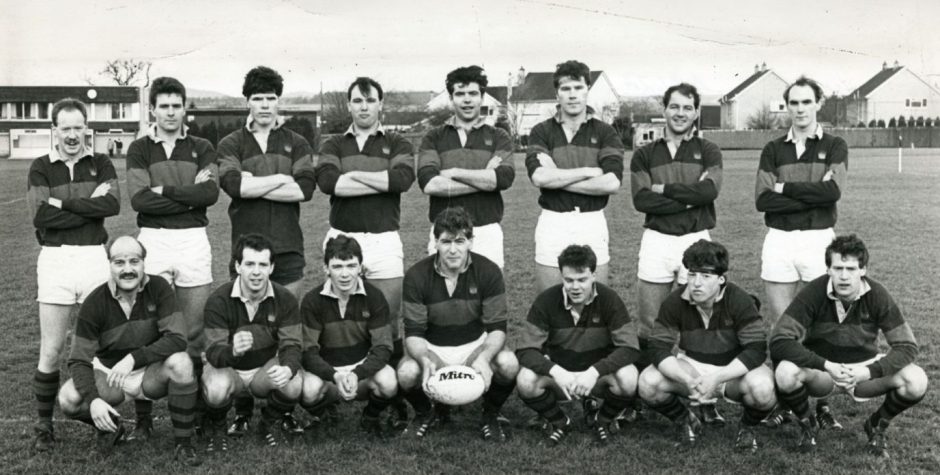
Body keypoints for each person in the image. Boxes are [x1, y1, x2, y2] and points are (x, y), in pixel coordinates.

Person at [218, 66, 315, 433]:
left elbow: (304, 189)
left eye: (270, 98)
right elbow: (233, 186)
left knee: (286, 331)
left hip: (288, 251)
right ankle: (242, 410)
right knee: (243, 330)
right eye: (257, 98)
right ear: (247, 101)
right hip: (244, 256)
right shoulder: (231, 144)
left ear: (279, 101)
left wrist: (253, 182)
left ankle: (281, 412)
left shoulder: (297, 141)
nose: (264, 105)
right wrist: (279, 178)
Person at [770, 234, 928, 456]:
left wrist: (868, 371)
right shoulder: (814, 292)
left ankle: (877, 424)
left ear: (863, 270)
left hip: (862, 370)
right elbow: (779, 340)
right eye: (838, 268)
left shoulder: (877, 294)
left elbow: (907, 346)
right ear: (828, 269)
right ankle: (808, 425)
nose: (844, 276)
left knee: (917, 380)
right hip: (822, 372)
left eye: (851, 269)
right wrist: (825, 365)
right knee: (785, 372)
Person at [315, 76, 414, 428]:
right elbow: (328, 183)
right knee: (336, 317)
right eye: (357, 101)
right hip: (342, 238)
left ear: (380, 104)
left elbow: (401, 181)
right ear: (349, 105)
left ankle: (387, 399)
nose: (363, 106)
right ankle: (329, 393)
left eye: (370, 100)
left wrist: (351, 177)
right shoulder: (332, 143)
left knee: (388, 317)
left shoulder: (397, 141)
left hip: (384, 238)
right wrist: (380, 179)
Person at [126, 76, 219, 438]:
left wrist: (163, 189)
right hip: (153, 240)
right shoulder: (139, 148)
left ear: (185, 109)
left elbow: (210, 194)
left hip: (194, 239)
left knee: (194, 331)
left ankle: (192, 409)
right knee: (147, 329)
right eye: (163, 106)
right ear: (152, 109)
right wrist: (187, 192)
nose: (169, 112)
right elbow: (139, 199)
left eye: (176, 106)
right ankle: (144, 415)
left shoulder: (201, 145)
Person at [26, 98, 121, 452]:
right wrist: (88, 209)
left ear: (86, 129)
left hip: (95, 258)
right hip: (55, 260)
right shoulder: (40, 166)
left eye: (77, 127)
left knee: (102, 346)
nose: (71, 135)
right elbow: (39, 216)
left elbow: (111, 205)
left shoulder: (101, 162)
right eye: (64, 128)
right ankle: (43, 426)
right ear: (55, 131)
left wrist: (61, 204)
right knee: (50, 349)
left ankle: (104, 419)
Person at [56, 236, 200, 465]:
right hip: (112, 377)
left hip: (150, 374)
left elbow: (178, 338)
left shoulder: (159, 288)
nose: (127, 269)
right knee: (68, 398)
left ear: (144, 263)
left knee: (181, 363)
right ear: (110, 265)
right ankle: (111, 427)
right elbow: (78, 360)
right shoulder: (95, 303)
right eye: (119, 262)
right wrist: (93, 400)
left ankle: (184, 443)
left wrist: (134, 359)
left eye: (134, 261)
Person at [756, 76, 848, 428]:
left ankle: (822, 403)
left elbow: (833, 192)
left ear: (818, 103)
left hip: (818, 240)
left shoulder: (836, 145)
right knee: (783, 325)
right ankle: (786, 401)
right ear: (788, 106)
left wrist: (784, 187)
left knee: (820, 325)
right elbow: (763, 198)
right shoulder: (772, 148)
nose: (799, 109)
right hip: (778, 239)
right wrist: (809, 189)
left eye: (806, 102)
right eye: (793, 103)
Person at [630, 82, 724, 423]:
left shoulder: (709, 150)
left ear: (696, 112)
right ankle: (644, 393)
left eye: (687, 107)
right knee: (649, 324)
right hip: (656, 240)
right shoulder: (645, 153)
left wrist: (665, 190)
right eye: (674, 106)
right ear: (664, 109)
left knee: (700, 321)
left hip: (696, 240)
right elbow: (641, 199)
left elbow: (709, 191)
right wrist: (688, 195)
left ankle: (704, 395)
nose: (680, 113)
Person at [638, 240, 774, 451]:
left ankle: (747, 427)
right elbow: (657, 347)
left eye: (705, 276)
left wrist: (718, 378)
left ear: (721, 279)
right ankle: (687, 420)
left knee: (763, 389)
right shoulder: (675, 301)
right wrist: (687, 379)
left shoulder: (739, 300)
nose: (696, 283)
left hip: (732, 370)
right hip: (692, 366)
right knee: (648, 382)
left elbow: (756, 350)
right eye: (692, 274)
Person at [397, 207, 519, 441]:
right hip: (433, 347)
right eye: (446, 242)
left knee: (508, 363)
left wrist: (484, 357)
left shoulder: (489, 271)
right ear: (435, 242)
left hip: (475, 345)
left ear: (471, 242)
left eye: (460, 241)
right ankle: (425, 413)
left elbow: (497, 328)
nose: (453, 249)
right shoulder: (416, 275)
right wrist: (425, 359)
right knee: (406, 372)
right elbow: (413, 333)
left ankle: (490, 413)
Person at [516, 244, 640, 445]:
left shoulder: (609, 299)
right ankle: (559, 421)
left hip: (595, 376)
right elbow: (525, 350)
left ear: (594, 275)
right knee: (525, 379)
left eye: (582, 280)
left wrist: (594, 372)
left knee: (629, 376)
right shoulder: (546, 300)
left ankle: (603, 419)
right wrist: (556, 371)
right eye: (569, 280)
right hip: (561, 377)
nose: (575, 287)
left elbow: (630, 348)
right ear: (561, 276)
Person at [525, 60, 623, 294]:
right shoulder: (542, 131)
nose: (572, 95)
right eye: (565, 89)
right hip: (552, 220)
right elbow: (539, 178)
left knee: (595, 300)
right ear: (557, 93)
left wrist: (557, 178)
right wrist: (588, 171)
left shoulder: (605, 132)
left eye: (578, 88)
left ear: (587, 89)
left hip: (592, 220)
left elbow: (612, 182)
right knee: (549, 301)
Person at [201, 233, 304, 450]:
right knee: (216, 387)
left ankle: (267, 425)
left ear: (271, 268)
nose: (256, 272)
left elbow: (292, 344)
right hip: (229, 370)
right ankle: (218, 430)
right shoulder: (219, 300)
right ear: (238, 266)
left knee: (293, 382)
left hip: (263, 370)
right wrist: (232, 350)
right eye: (249, 264)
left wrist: (288, 368)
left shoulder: (285, 298)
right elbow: (212, 352)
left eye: (262, 264)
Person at [298, 235, 397, 436]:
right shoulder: (312, 301)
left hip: (360, 371)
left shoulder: (374, 297)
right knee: (308, 390)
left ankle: (370, 417)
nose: (345, 274)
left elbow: (383, 347)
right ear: (326, 268)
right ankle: (326, 413)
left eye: (351, 266)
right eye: (337, 267)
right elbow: (308, 351)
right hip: (328, 372)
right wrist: (334, 375)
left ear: (360, 267)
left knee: (389, 381)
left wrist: (357, 373)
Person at [418, 65, 515, 269]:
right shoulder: (433, 137)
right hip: (444, 233)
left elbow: (503, 178)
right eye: (460, 94)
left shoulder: (499, 136)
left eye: (473, 93)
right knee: (443, 297)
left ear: (482, 97)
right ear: (451, 98)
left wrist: (454, 173)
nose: (467, 100)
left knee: (488, 297)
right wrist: (485, 178)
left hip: (486, 231)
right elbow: (429, 184)